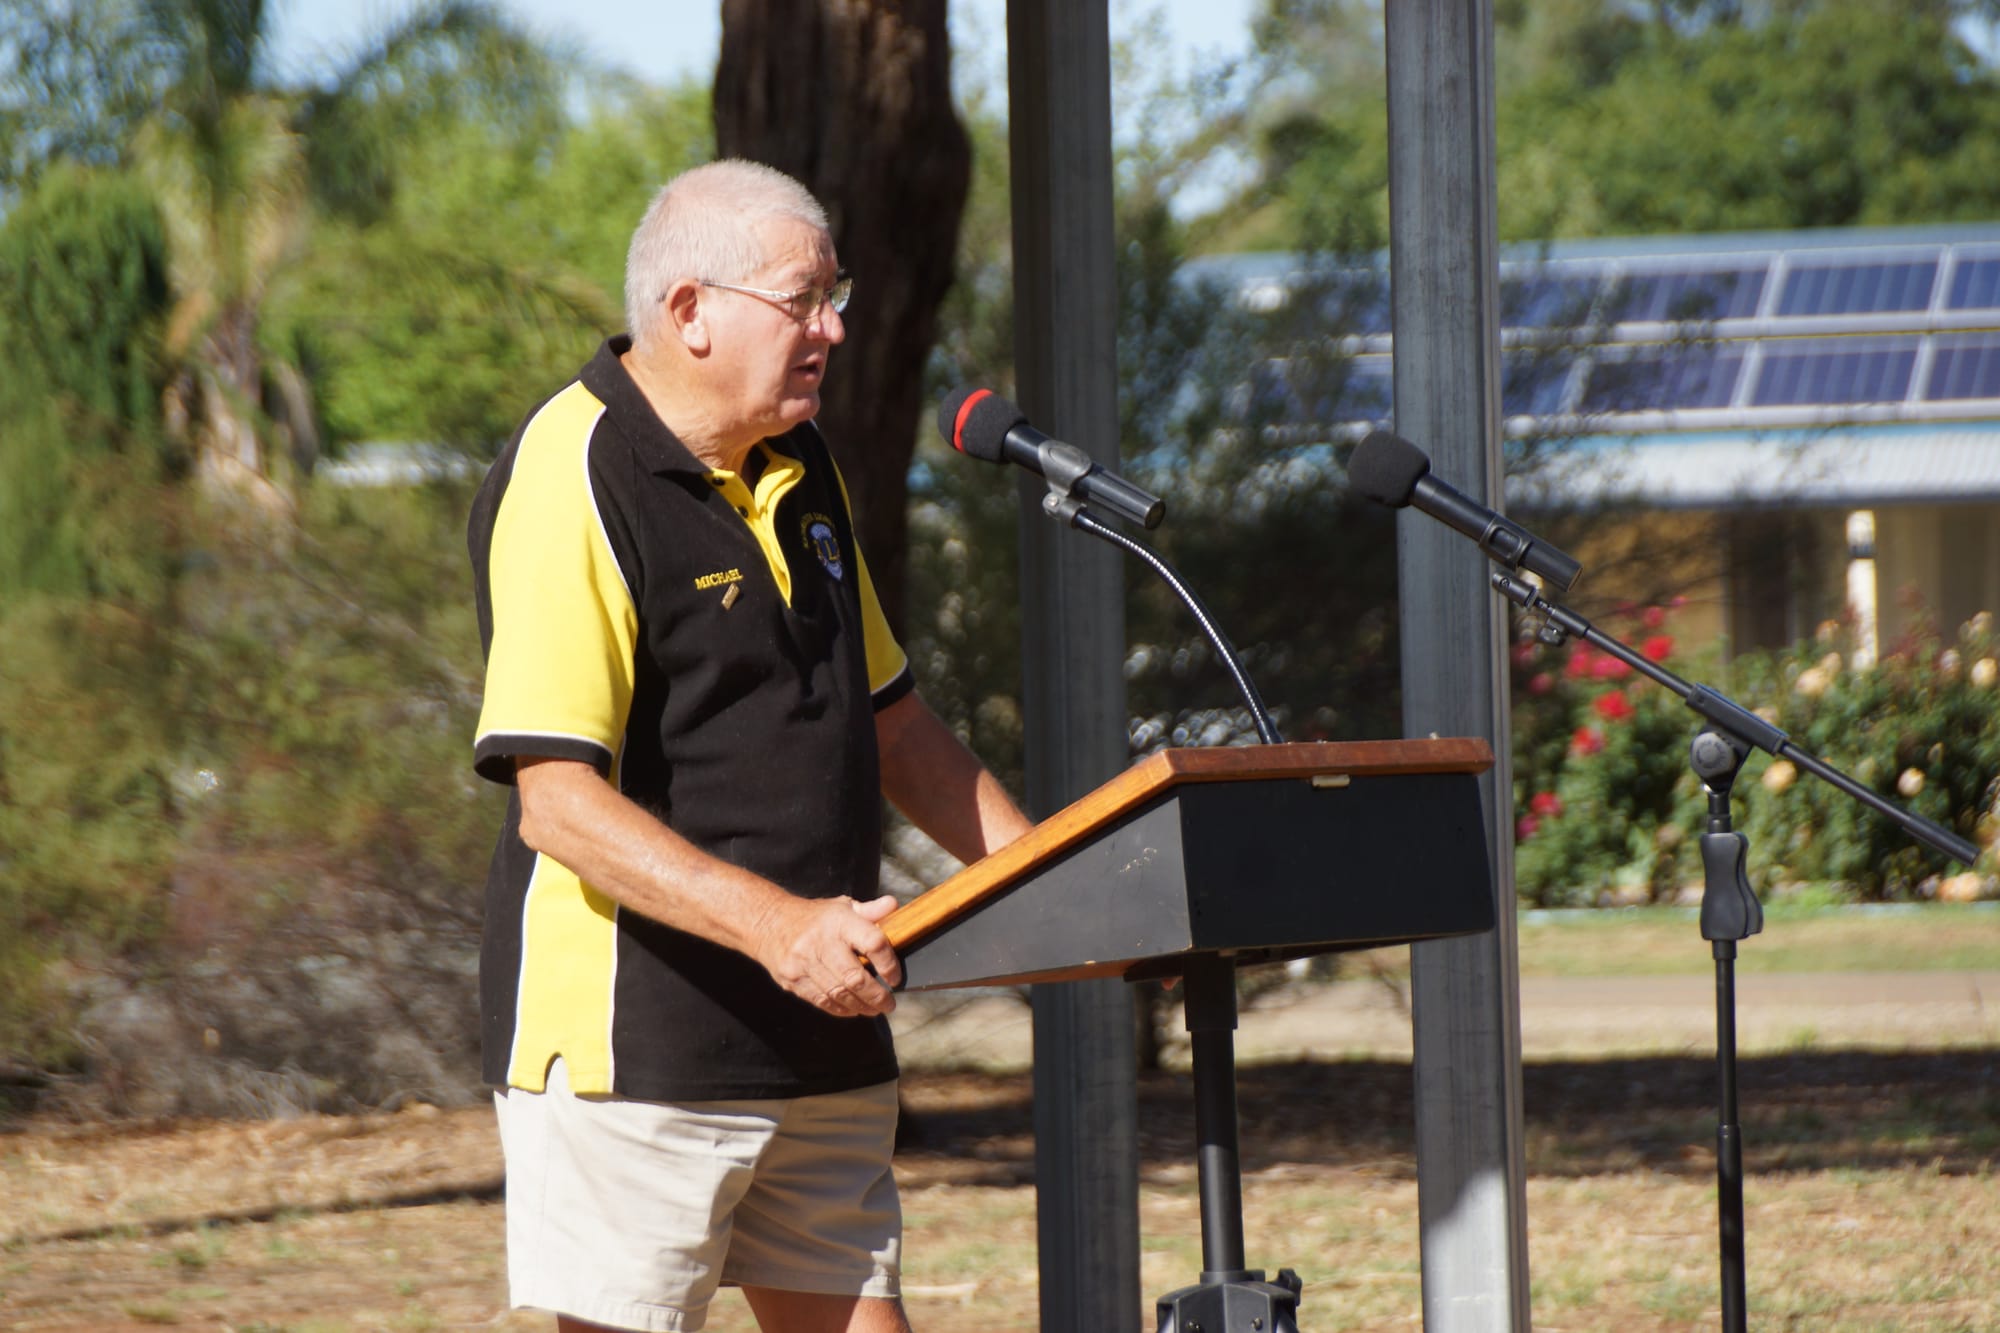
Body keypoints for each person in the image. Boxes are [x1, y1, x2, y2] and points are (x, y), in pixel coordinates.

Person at [466, 159, 1032, 1333]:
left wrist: (1065, 885)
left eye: (837, 296)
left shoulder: (801, 462)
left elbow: (900, 730)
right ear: (688, 311)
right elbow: (558, 804)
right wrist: (780, 930)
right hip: (641, 1054)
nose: (831, 327)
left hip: (823, 1031)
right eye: (801, 299)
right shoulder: (577, 467)